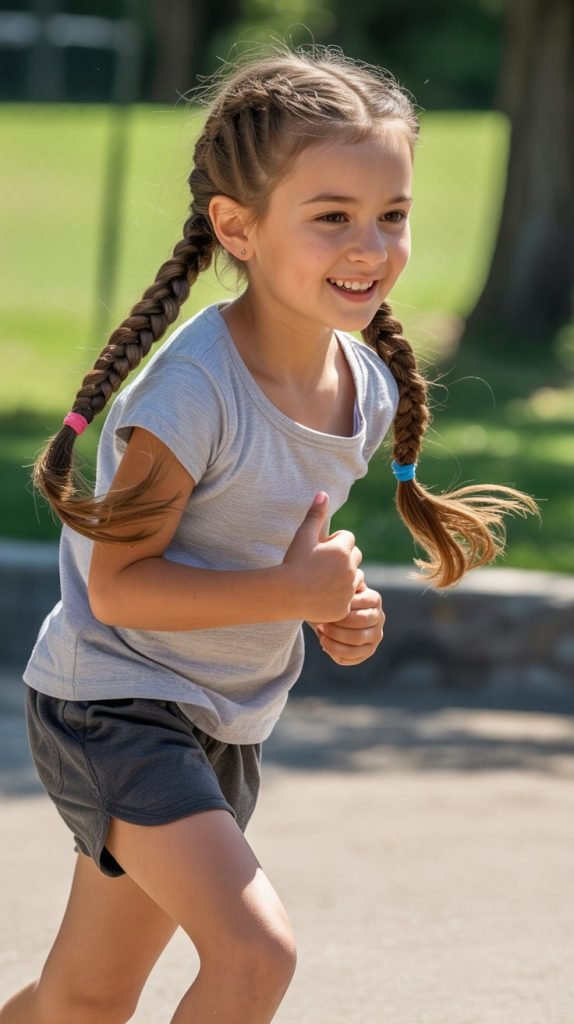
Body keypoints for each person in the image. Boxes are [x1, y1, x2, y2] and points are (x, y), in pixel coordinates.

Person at [1, 44, 537, 1024]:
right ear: (237, 227)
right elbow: (119, 589)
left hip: (223, 719)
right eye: (331, 217)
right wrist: (291, 594)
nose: (369, 247)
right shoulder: (191, 392)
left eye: (392, 215)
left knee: (83, 998)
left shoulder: (363, 387)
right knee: (255, 957)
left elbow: (277, 554)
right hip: (114, 702)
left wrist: (338, 609)